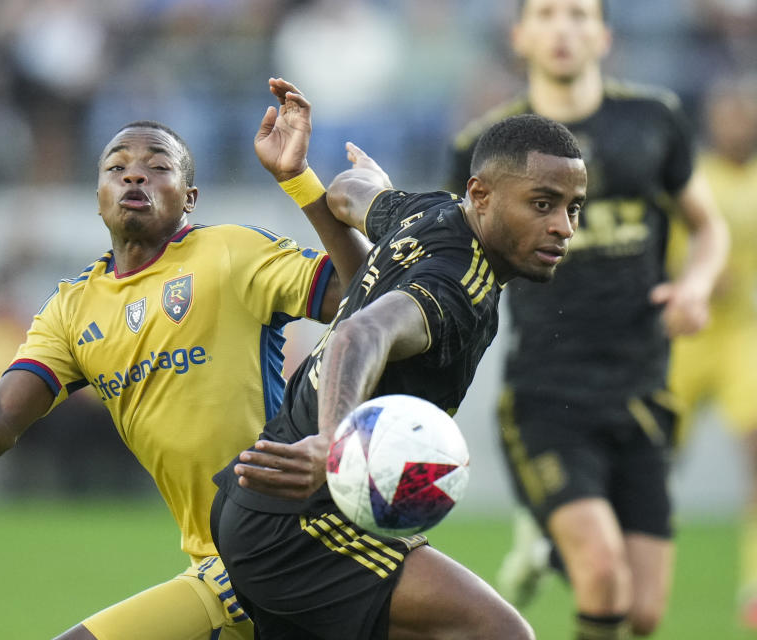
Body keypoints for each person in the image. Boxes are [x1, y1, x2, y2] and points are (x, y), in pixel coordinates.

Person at [0, 78, 370, 640]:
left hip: (291, 537)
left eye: (158, 166)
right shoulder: (73, 308)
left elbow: (359, 290)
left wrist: (297, 180)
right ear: (97, 195)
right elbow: (1, 421)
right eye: (117, 166)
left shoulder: (230, 253)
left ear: (189, 198)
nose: (134, 173)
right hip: (217, 557)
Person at [211, 112, 587, 640]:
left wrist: (306, 180)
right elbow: (360, 335)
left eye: (573, 208)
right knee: (501, 634)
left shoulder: (427, 212)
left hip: (266, 507)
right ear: (480, 194)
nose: (563, 227)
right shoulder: (459, 286)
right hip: (301, 527)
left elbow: (350, 194)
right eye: (542, 204)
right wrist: (333, 443)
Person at [448, 1, 730, 637]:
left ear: (602, 33)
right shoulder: (482, 146)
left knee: (643, 613)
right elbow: (456, 257)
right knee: (603, 574)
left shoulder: (654, 120)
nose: (563, 29)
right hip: (547, 395)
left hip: (643, 386)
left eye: (578, 13)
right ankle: (561, 534)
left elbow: (706, 226)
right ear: (520, 34)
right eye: (546, 13)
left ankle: (547, 544)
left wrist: (695, 284)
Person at [667, 74, 757, 627]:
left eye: (744, 113)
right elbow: (665, 254)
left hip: (743, 337)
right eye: (728, 113)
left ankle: (754, 582)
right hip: (688, 333)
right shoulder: (692, 178)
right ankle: (623, 561)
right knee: (650, 461)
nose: (737, 123)